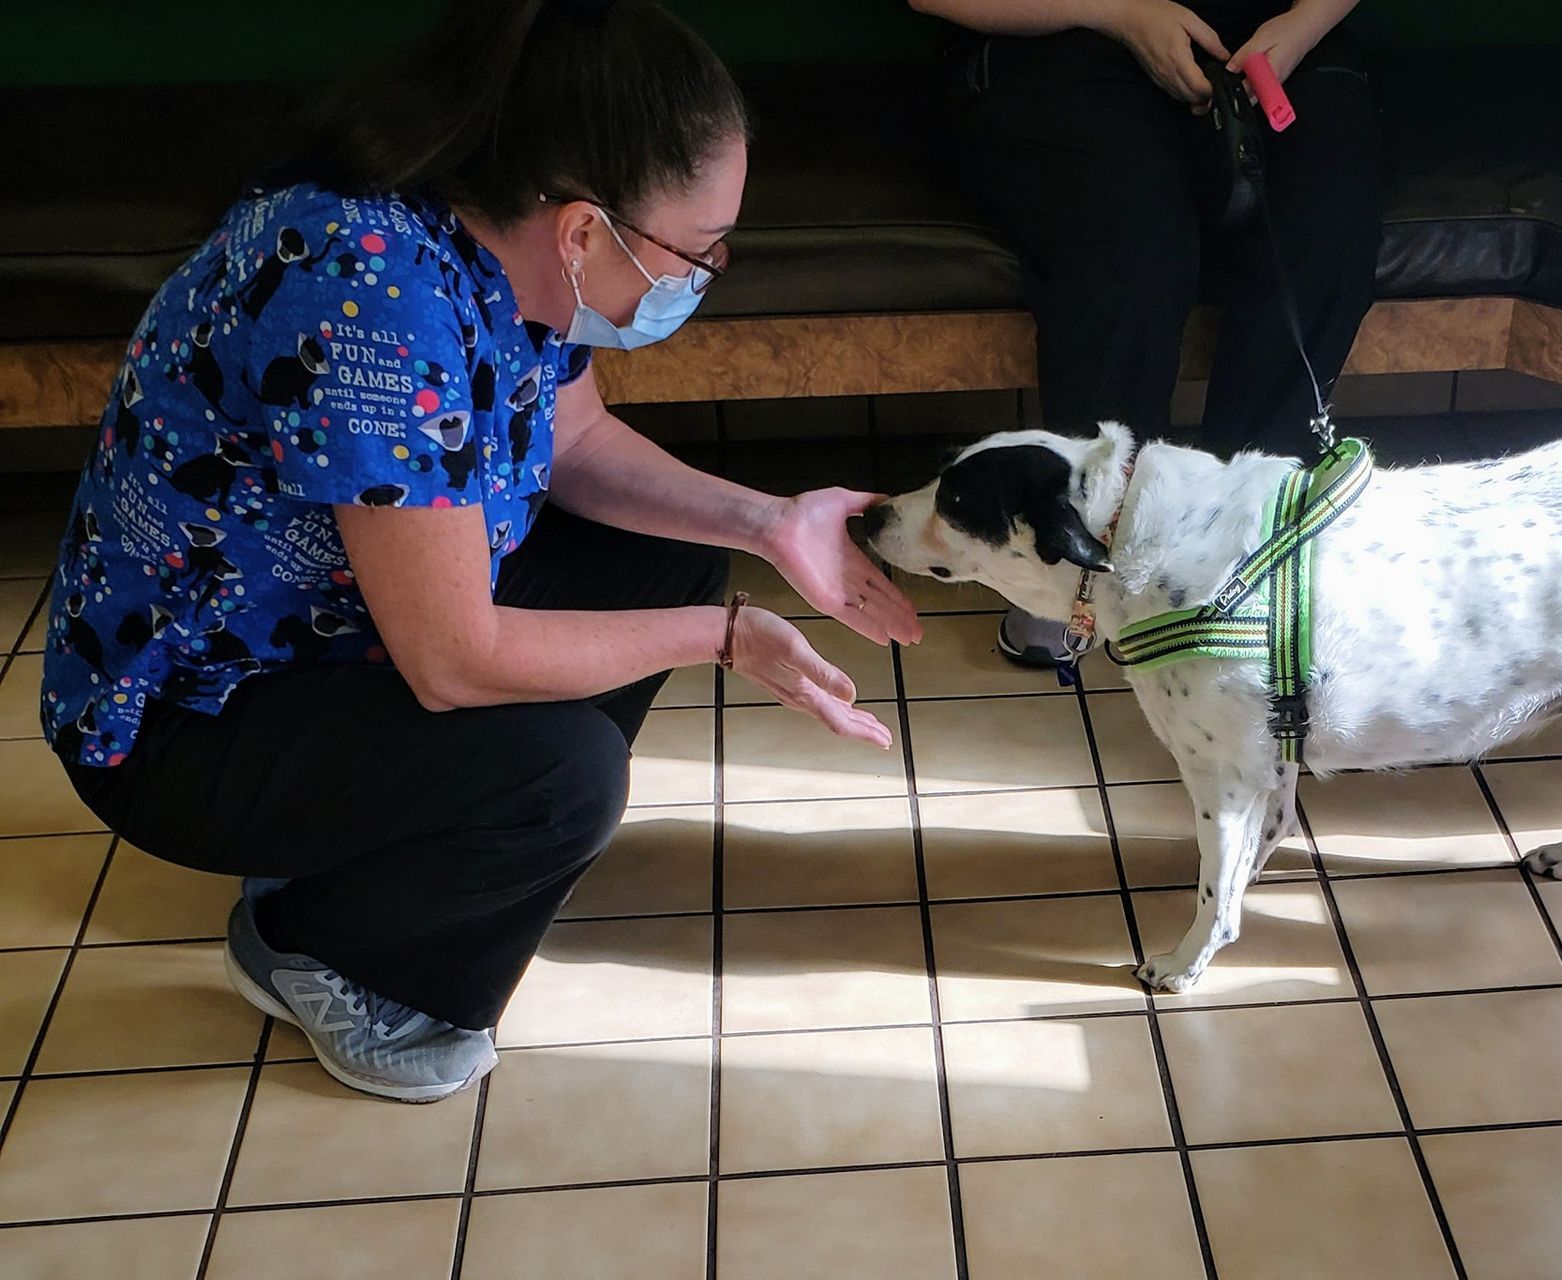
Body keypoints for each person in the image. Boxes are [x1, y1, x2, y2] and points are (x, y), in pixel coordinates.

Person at [40, 0, 920, 1103]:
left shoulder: (495, 227)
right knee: (563, 778)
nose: (702, 277)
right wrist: (729, 639)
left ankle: (391, 844)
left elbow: (575, 436)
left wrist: (765, 520)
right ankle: (324, 946)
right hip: (192, 713)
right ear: (585, 228)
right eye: (695, 253)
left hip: (328, 633)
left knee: (668, 562)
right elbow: (453, 658)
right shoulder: (369, 291)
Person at [912, 0, 1381, 664]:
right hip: (1058, 36)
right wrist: (1121, 14)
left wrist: (1304, 22)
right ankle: (1081, 550)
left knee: (1326, 231)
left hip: (1276, 36)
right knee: (1130, 248)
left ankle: (1251, 541)